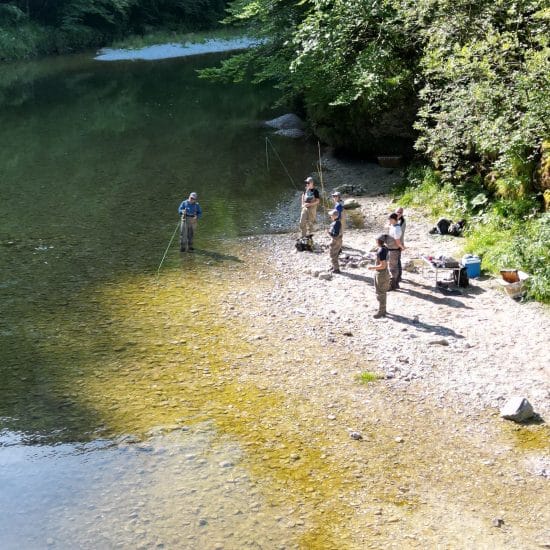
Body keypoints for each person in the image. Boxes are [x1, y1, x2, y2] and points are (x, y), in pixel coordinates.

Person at [368, 235, 390, 318]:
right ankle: (383, 309)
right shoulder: (385, 248)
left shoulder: (381, 251)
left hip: (381, 273)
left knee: (380, 293)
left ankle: (382, 311)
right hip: (384, 273)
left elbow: (383, 265)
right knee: (382, 292)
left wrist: (372, 267)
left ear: (378, 241)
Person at [386, 213, 405, 290]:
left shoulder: (397, 229)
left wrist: (402, 247)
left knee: (393, 268)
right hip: (391, 249)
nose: (389, 221)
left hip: (394, 250)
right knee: (392, 266)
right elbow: (388, 226)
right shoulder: (393, 226)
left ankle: (393, 285)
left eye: (390, 219)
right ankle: (395, 284)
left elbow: (397, 241)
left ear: (394, 220)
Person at [327, 209, 342, 273]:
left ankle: (336, 269)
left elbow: (336, 234)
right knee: (333, 254)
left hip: (335, 241)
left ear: (335, 216)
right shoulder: (336, 222)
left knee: (333, 254)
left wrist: (329, 233)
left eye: (331, 215)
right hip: (337, 240)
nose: (330, 216)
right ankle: (333, 266)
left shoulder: (337, 223)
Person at [395, 206, 406, 283]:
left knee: (398, 260)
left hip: (398, 243)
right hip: (391, 243)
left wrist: (402, 245)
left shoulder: (402, 222)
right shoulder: (392, 218)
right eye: (397, 212)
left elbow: (400, 235)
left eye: (400, 212)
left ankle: (399, 276)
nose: (399, 214)